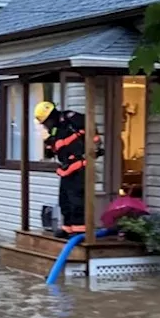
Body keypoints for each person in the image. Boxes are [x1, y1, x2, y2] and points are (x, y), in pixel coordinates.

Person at [35, 101, 102, 237]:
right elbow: (53, 150)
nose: (46, 125)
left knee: (77, 199)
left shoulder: (71, 119)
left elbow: (90, 127)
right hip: (66, 168)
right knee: (64, 200)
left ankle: (79, 231)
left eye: (46, 122)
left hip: (79, 166)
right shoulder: (55, 130)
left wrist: (95, 146)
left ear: (51, 116)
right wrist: (47, 144)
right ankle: (68, 228)